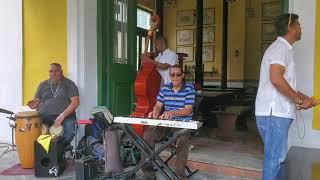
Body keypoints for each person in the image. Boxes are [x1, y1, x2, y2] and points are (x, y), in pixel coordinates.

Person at [255, 13, 315, 180]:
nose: (301, 28)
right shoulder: (280, 49)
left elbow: (285, 84)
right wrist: (300, 100)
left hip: (274, 114)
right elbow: (276, 79)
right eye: (299, 25)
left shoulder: (282, 49)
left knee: (278, 159)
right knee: (274, 159)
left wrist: (305, 99)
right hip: (274, 115)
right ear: (290, 27)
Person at [142, 64, 195, 180]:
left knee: (182, 141)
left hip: (183, 123)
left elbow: (188, 110)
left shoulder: (189, 88)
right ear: (169, 76)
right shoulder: (165, 88)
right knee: (148, 135)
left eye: (178, 74)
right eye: (172, 74)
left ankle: (180, 176)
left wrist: (171, 113)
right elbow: (158, 105)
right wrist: (155, 112)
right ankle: (148, 173)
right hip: (166, 122)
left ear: (182, 76)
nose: (175, 77)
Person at [27, 63, 80, 148]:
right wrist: (33, 105)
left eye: (56, 71)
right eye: (51, 71)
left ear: (61, 72)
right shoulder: (42, 85)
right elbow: (36, 101)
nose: (53, 73)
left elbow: (75, 102)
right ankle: (43, 153)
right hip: (44, 116)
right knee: (32, 130)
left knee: (70, 131)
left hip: (65, 116)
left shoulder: (69, 84)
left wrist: (62, 115)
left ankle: (60, 150)